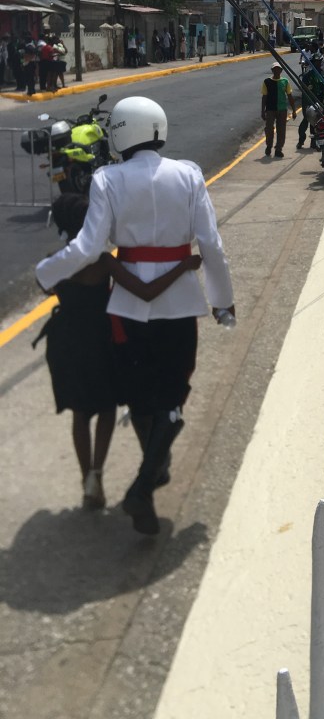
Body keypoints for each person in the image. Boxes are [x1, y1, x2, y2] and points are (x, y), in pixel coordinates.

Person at [36, 96, 235, 535]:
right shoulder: (188, 174)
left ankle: (151, 471)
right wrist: (222, 300)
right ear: (158, 129)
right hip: (179, 304)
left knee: (142, 397)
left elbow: (89, 247)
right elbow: (211, 244)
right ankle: (145, 483)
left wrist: (47, 272)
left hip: (127, 307)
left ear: (119, 133)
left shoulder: (107, 178)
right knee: (173, 395)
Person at [34, 193, 202, 510]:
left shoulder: (57, 261)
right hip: (101, 341)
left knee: (80, 414)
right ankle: (98, 472)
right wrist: (183, 266)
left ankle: (87, 479)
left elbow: (45, 285)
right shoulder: (102, 261)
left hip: (66, 343)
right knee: (106, 409)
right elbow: (145, 291)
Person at [261, 62, 296, 158]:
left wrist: (294, 110)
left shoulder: (285, 81)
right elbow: (264, 97)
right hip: (270, 109)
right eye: (275, 69)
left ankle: (278, 149)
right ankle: (269, 146)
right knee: (269, 129)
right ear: (272, 70)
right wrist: (262, 111)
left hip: (282, 109)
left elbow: (290, 96)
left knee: (281, 130)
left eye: (278, 69)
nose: (276, 71)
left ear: (281, 70)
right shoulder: (267, 81)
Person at [297, 54, 324, 150]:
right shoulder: (307, 75)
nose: (318, 63)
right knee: (306, 120)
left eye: (319, 62)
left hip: (319, 101)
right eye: (316, 62)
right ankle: (301, 140)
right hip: (308, 101)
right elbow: (304, 89)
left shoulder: (323, 75)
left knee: (317, 123)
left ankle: (314, 142)